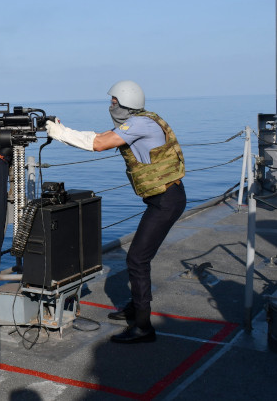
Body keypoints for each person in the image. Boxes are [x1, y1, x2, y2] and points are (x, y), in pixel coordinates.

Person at [45, 80, 186, 344]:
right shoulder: (142, 121)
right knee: (139, 258)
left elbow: (98, 143)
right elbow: (97, 139)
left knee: (137, 259)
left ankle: (143, 327)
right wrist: (61, 131)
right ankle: (135, 308)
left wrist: (58, 132)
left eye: (113, 101)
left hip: (167, 200)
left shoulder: (139, 124)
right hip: (163, 199)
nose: (110, 106)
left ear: (125, 103)